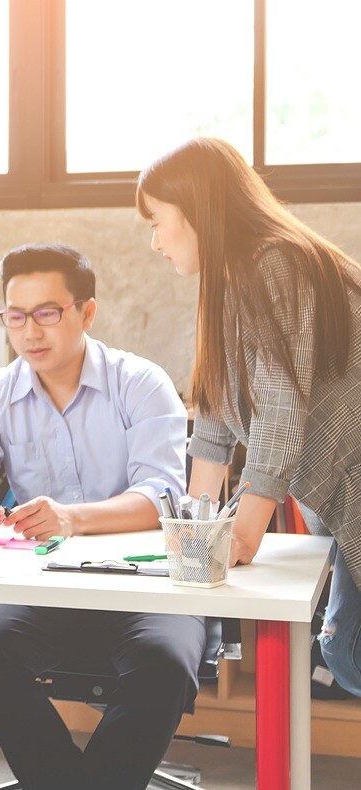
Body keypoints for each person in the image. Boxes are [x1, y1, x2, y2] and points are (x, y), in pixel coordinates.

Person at [0, 243, 206, 790]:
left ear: (87, 311)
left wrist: (73, 519)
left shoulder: (141, 383)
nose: (30, 331)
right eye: (16, 316)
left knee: (166, 667)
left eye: (47, 313)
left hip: (147, 582)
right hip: (46, 584)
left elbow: (164, 497)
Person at [137, 137, 361, 697]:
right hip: (336, 489)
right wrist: (195, 528)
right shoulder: (231, 278)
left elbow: (282, 406)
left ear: (198, 212)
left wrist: (242, 534)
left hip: (349, 477)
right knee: (343, 647)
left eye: (159, 222)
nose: (155, 241)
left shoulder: (274, 263)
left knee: (345, 649)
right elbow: (213, 416)